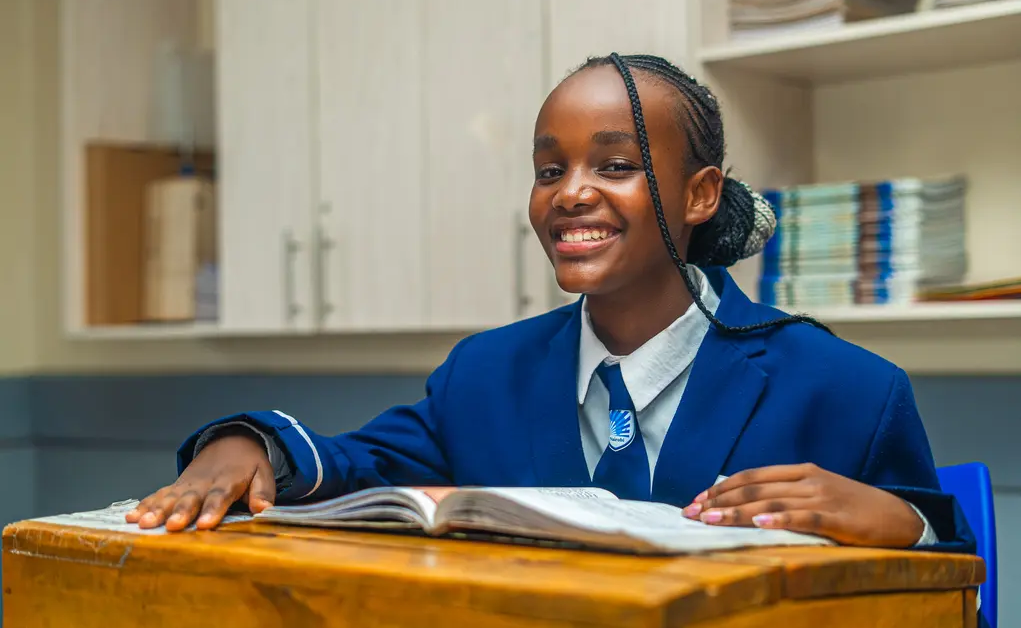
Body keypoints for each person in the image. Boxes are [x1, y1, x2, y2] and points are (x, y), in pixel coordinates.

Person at [125, 53, 975, 555]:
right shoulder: (482, 374)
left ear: (700, 193)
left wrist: (903, 519)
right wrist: (249, 444)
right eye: (547, 169)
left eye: (613, 165)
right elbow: (356, 466)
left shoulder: (846, 386)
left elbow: (947, 574)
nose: (570, 194)